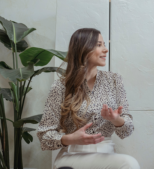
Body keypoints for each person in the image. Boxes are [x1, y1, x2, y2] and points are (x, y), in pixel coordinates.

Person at [37, 28, 140, 169]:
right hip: (71, 156)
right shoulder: (61, 86)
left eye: (104, 44)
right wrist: (71, 139)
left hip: (107, 155)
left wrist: (115, 119)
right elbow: (44, 137)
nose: (105, 50)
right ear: (83, 49)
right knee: (129, 164)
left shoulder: (114, 80)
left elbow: (127, 130)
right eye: (99, 45)